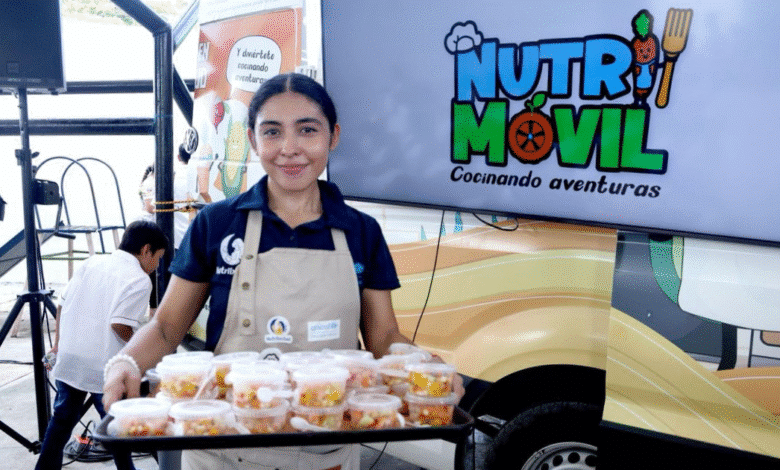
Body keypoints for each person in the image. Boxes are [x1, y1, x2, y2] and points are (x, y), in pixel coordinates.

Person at [102, 73, 463, 470]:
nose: (290, 149)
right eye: (272, 132)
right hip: (222, 445)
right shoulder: (217, 223)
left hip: (326, 450)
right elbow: (168, 326)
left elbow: (384, 338)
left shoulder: (361, 231)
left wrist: (423, 367)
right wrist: (127, 363)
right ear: (254, 141)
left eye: (307, 130)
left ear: (333, 136)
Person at [36, 220, 168, 470]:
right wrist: (146, 347)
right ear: (146, 250)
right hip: (102, 366)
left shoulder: (91, 262)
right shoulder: (139, 279)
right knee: (121, 426)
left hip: (71, 357)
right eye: (158, 258)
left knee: (62, 421)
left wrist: (57, 345)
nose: (157, 266)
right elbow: (119, 325)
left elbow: (62, 305)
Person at [138, 165, 159, 317]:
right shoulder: (150, 184)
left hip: (150, 226)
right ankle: (152, 312)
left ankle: (153, 311)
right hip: (148, 227)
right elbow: (150, 207)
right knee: (151, 272)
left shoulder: (149, 182)